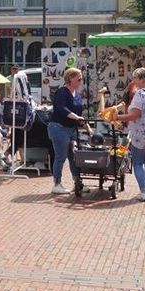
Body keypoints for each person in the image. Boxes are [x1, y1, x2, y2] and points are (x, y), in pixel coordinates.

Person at [116, 67, 145, 202]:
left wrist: (117, 118)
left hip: (141, 133)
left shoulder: (140, 93)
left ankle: (143, 191)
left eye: (136, 78)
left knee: (137, 163)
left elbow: (135, 115)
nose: (134, 80)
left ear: (142, 79)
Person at [49, 67, 92, 195]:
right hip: (58, 127)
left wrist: (87, 126)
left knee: (74, 157)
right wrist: (76, 117)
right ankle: (57, 184)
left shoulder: (77, 95)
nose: (81, 80)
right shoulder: (62, 92)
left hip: (71, 129)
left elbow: (79, 114)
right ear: (70, 79)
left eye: (81, 78)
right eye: (79, 78)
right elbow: (61, 108)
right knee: (61, 156)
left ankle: (78, 183)